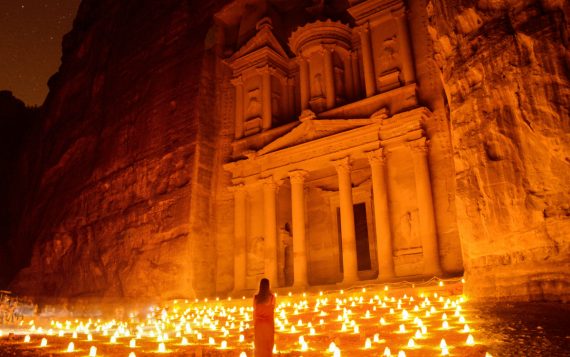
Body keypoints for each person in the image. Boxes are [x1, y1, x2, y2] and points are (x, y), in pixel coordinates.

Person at [253, 278, 275, 356]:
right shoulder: (272, 297)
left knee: (259, 346)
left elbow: (254, 313)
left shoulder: (256, 297)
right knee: (268, 345)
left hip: (259, 325)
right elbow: (272, 312)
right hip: (268, 324)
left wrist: (254, 325)